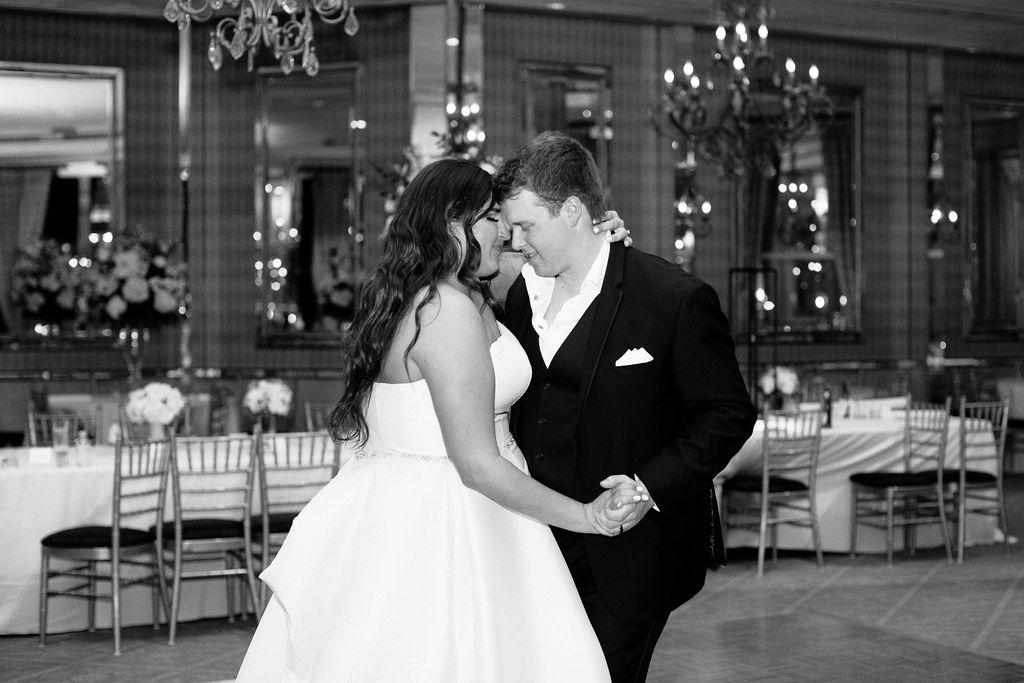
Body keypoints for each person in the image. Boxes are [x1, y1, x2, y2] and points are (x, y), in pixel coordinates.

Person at [236, 157, 643, 682]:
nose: (507, 232)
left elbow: (558, 266)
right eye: (493, 218)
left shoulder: (460, 290)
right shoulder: (443, 310)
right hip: (449, 517)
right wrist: (585, 517)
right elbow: (476, 464)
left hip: (475, 509)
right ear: (455, 223)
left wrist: (593, 240)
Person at [495, 131, 758, 683]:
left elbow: (727, 414)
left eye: (527, 226)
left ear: (572, 211)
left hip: (630, 555)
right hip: (535, 545)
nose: (517, 242)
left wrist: (647, 487)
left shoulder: (671, 298)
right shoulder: (518, 294)